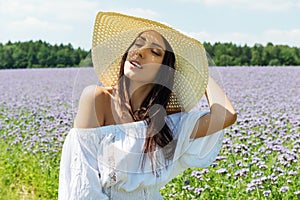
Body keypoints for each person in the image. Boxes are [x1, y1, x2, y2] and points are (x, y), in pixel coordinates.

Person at [58, 12, 237, 199]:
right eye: (138, 43)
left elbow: (226, 115)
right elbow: (83, 186)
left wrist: (201, 72)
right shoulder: (97, 99)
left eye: (155, 52)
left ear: (164, 70)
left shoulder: (164, 122)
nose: (140, 51)